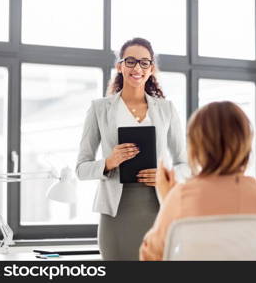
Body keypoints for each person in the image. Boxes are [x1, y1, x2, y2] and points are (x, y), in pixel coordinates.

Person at [76, 37, 189, 260]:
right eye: (130, 61)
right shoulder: (99, 109)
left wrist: (164, 176)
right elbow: (81, 168)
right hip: (115, 215)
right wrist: (109, 162)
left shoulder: (166, 109)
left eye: (144, 62)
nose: (137, 68)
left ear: (151, 68)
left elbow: (184, 164)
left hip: (157, 210)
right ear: (120, 66)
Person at [139, 101, 256, 261]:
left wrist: (168, 201)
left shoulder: (183, 196)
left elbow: (151, 254)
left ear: (198, 146)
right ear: (245, 142)